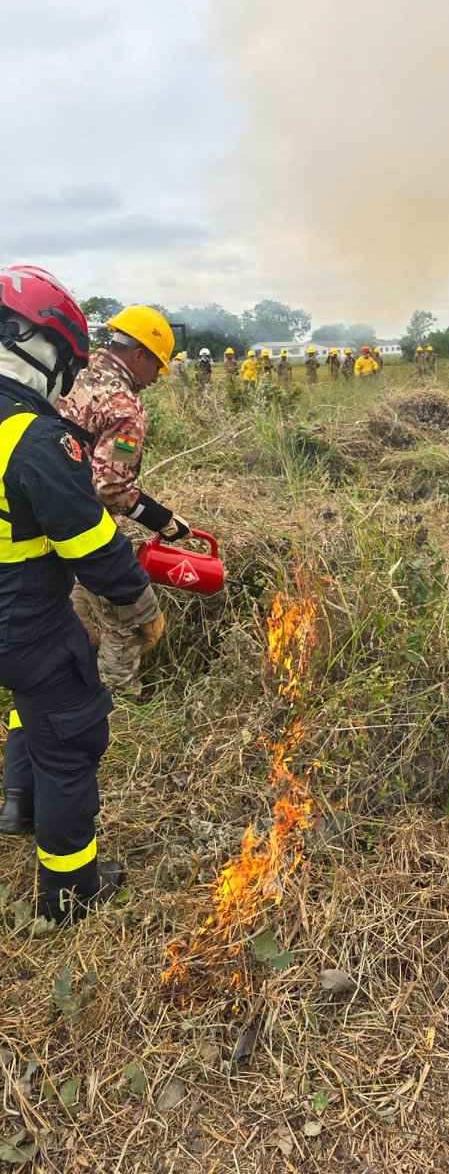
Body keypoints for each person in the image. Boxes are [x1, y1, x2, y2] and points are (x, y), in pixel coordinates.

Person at [0, 265, 165, 923]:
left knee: (28, 700)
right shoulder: (36, 436)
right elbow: (91, 533)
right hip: (26, 614)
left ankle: (17, 802)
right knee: (71, 738)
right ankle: (70, 897)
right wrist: (140, 605)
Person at [59, 306, 192, 696]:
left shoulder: (70, 372)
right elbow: (110, 488)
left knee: (79, 608)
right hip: (87, 526)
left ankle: (70, 681)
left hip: (42, 522)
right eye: (157, 368)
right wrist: (162, 519)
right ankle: (119, 699)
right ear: (139, 356)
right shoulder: (124, 406)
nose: (155, 379)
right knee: (135, 620)